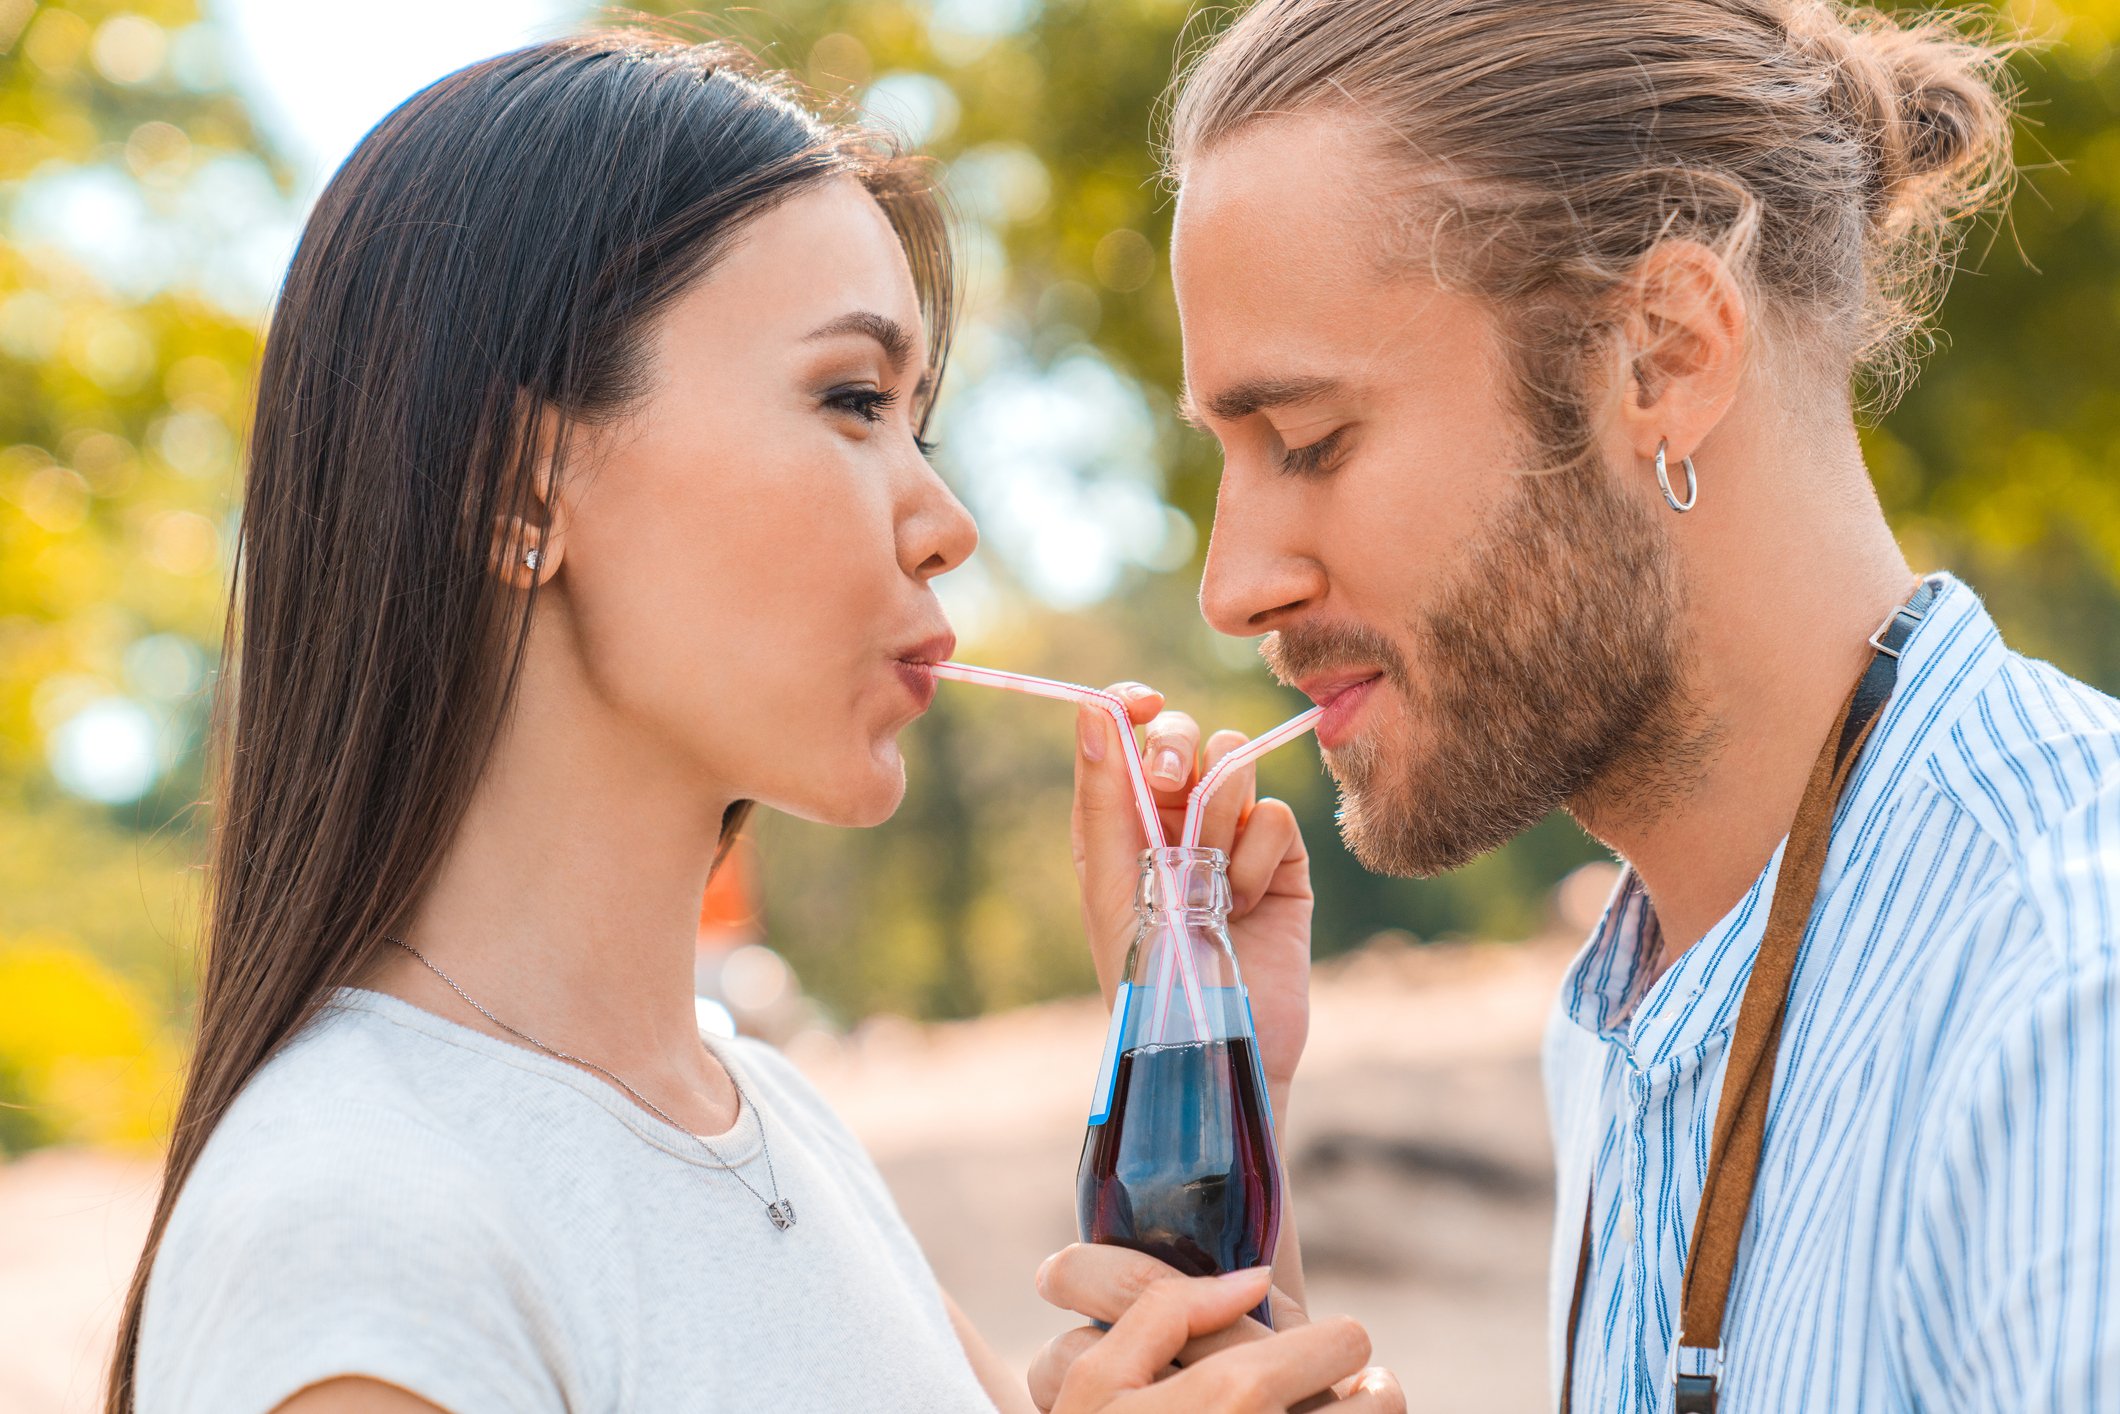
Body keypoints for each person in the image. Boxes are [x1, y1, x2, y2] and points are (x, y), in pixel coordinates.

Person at [110, 30, 1401, 1414]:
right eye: (851, 400)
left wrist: (1192, 1035)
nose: (946, 525)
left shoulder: (772, 1126)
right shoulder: (361, 1236)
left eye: (923, 426)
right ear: (521, 489)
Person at [1040, 0, 2120, 1409]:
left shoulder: (2067, 996)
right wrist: (1249, 1278)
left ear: (1663, 357)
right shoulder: (1629, 1017)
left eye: (1308, 440)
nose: (1231, 586)